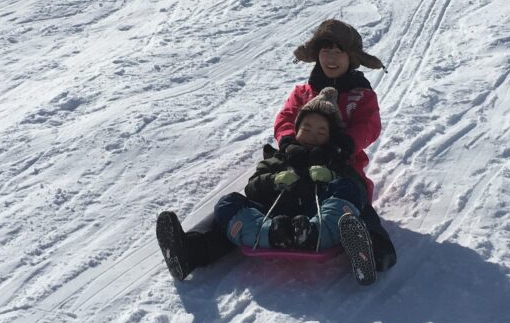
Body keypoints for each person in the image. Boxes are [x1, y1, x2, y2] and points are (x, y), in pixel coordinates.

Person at [157, 88, 379, 285]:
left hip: (317, 216)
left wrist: (332, 176)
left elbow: (357, 191)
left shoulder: (335, 161)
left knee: (349, 191)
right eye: (306, 128)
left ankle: (325, 239)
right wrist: (273, 181)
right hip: (272, 216)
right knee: (227, 203)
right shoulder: (278, 158)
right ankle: (264, 235)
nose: (312, 135)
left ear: (330, 138)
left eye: (321, 132)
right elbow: (252, 188)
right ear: (296, 129)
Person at [273, 19, 397, 271]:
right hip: (298, 161)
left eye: (339, 52)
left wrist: (341, 145)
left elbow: (369, 125)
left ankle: (373, 249)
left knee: (351, 197)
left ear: (351, 57)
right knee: (265, 190)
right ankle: (202, 246)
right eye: (325, 51)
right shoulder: (304, 92)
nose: (331, 58)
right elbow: (285, 118)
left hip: (340, 165)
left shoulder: (360, 95)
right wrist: (288, 142)